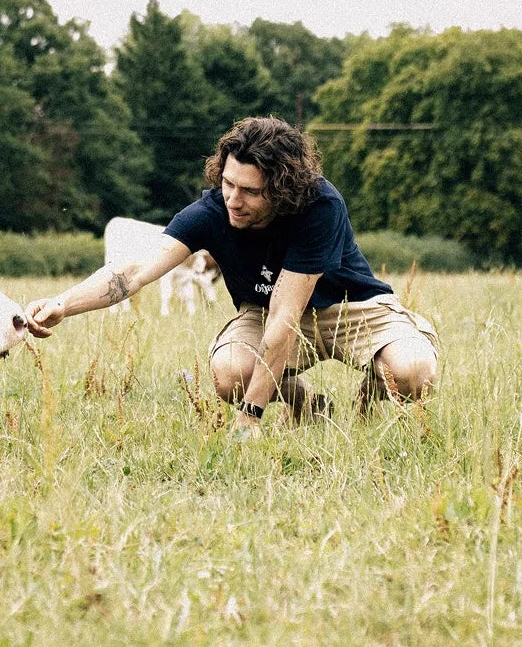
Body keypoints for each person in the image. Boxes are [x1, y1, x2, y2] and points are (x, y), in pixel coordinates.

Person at [26, 117, 439, 439]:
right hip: (264, 311)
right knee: (229, 374)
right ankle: (308, 404)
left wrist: (249, 419)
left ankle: (367, 402)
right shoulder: (210, 213)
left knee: (413, 371)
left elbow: (287, 314)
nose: (232, 200)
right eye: (227, 183)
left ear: (283, 190)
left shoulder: (319, 205)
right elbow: (133, 271)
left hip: (351, 307)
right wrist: (64, 303)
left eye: (250, 192)